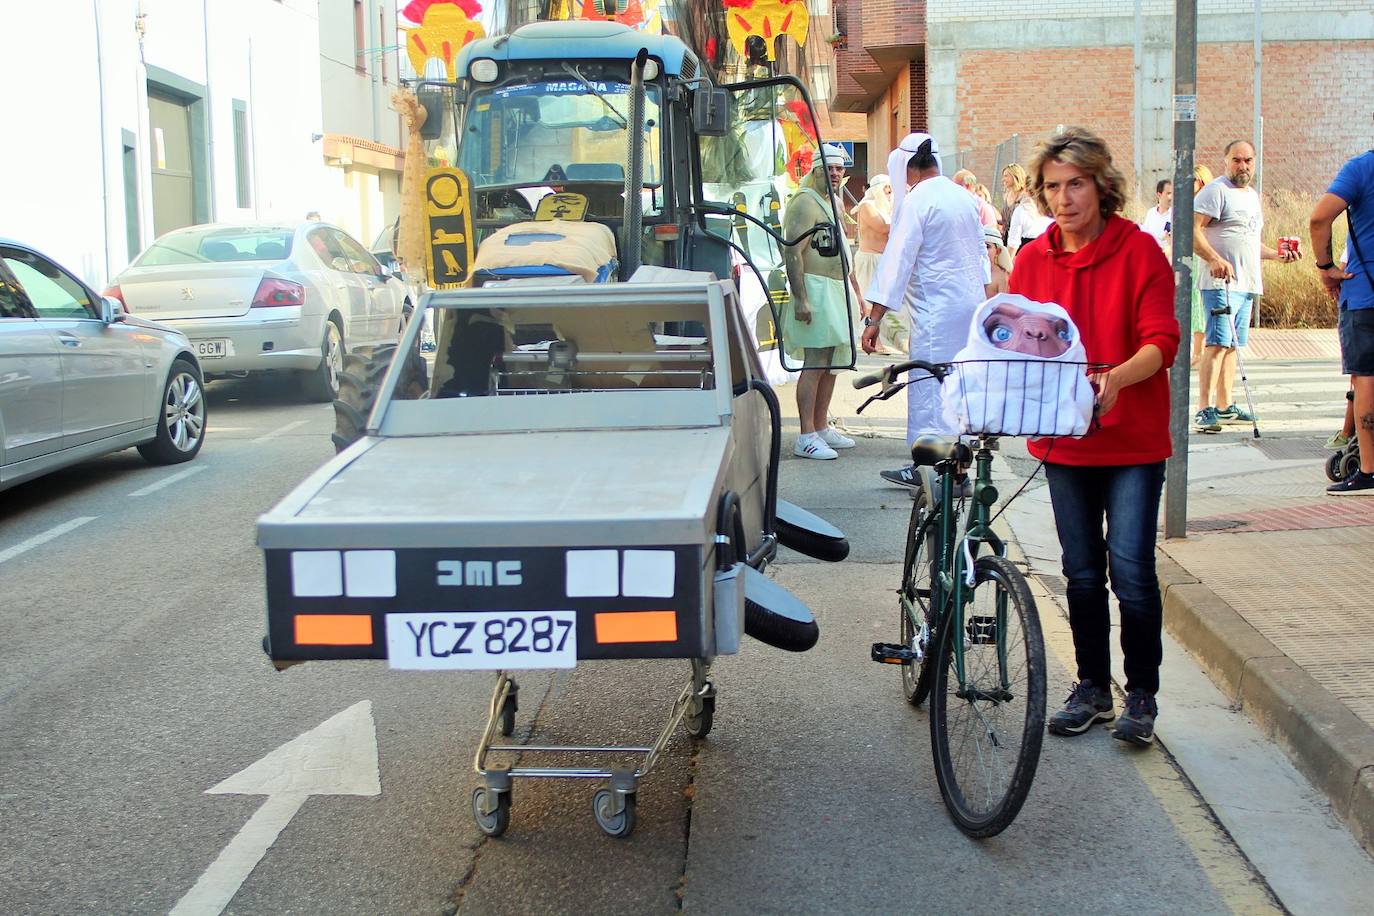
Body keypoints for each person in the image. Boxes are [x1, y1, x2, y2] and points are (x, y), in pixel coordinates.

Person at [1008, 127, 1179, 746]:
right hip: (1064, 440)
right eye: (1052, 186)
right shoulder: (1030, 259)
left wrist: (1114, 379)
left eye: (1075, 183)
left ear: (1101, 187)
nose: (1062, 197)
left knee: (1130, 570)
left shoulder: (1140, 252)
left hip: (1131, 440)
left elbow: (1162, 342)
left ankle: (1142, 694)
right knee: (1080, 571)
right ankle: (1092, 690)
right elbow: (1011, 341)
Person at [861, 133, 986, 488]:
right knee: (959, 386)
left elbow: (896, 263)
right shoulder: (964, 197)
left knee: (930, 389)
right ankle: (957, 469)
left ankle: (927, 470)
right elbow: (981, 258)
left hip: (937, 313)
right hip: (970, 307)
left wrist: (874, 319)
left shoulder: (917, 202)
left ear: (906, 169)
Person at [1192, 140, 1301, 432]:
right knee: (1216, 344)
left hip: (1246, 283)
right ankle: (1203, 409)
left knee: (1232, 347)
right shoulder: (1215, 191)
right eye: (1237, 160)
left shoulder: (1251, 196)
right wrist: (1214, 259)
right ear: (1226, 161)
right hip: (1221, 283)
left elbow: (1249, 241)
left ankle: (1225, 406)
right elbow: (1192, 231)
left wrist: (1278, 255)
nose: (1243, 166)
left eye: (1248, 161)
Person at [781, 148, 863, 460]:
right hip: (816, 288)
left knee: (832, 364)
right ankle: (806, 435)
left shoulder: (836, 202)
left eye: (839, 169)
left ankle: (821, 425)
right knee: (815, 363)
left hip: (837, 289)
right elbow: (793, 252)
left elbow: (843, 253)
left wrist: (855, 292)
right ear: (815, 169)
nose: (834, 173)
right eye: (827, 168)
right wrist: (801, 297)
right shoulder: (804, 201)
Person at [1310, 147, 1374, 495]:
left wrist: (1326, 267)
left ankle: (1368, 469)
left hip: (1366, 295)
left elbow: (1320, 218)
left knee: (1366, 379)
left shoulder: (1362, 168)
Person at [851, 174, 905, 354]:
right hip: (869, 259)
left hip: (882, 259)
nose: (889, 193)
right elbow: (882, 227)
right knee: (869, 302)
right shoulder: (867, 206)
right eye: (886, 188)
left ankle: (875, 339)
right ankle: (873, 340)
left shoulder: (887, 209)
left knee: (880, 302)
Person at [1188, 165, 1215, 361]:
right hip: (1188, 259)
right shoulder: (1187, 203)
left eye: (1194, 181)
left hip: (1201, 259)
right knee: (1190, 305)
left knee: (1198, 305)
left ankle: (1198, 352)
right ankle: (1195, 350)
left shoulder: (1205, 203)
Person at [1007, 193, 1053, 260]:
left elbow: (1013, 244)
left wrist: (1007, 266)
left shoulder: (1021, 211)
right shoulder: (1055, 210)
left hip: (1027, 259)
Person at [1000, 163, 1031, 240]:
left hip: (1021, 237)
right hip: (1007, 236)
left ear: (1015, 176)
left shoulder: (1024, 196)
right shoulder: (1006, 195)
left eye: (1006, 176)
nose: (1003, 179)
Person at [1140, 179, 1172, 245]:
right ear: (1159, 195)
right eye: (1168, 193)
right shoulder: (1151, 213)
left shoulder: (1175, 215)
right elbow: (1144, 235)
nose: (1171, 197)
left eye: (1172, 194)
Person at [983, 224, 1012, 296]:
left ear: (998, 251)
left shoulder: (1001, 276)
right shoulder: (972, 272)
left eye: (987, 246)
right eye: (980, 246)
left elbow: (1004, 303)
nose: (982, 250)